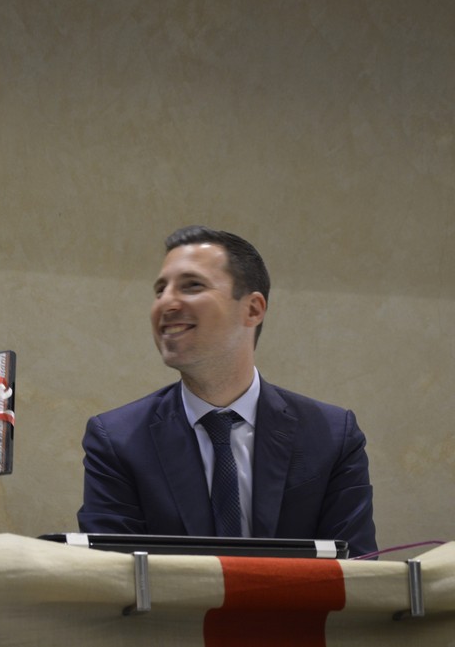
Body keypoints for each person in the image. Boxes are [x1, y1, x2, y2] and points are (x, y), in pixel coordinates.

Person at [77, 225, 377, 556]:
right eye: (160, 290)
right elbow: (112, 576)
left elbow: (357, 571)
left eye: (192, 285)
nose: (167, 303)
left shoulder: (332, 436)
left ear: (253, 309)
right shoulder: (117, 441)